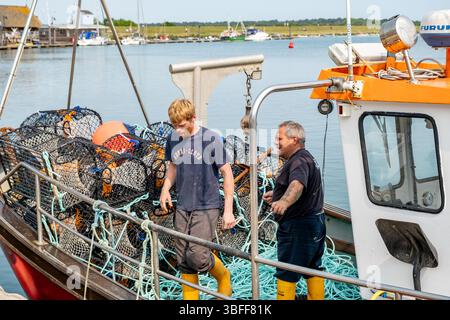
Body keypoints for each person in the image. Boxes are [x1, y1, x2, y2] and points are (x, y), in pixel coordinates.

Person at [159, 99, 236, 300]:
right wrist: (165, 189)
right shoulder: (172, 138)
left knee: (198, 257)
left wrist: (228, 210)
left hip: (206, 205)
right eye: (174, 125)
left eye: (182, 125)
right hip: (183, 204)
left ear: (193, 118)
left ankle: (224, 277)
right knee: (183, 258)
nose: (178, 130)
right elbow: (173, 166)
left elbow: (227, 173)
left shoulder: (211, 139)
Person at [263, 121, 326, 300]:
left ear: (294, 139)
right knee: (312, 268)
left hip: (298, 227)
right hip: (315, 222)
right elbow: (300, 188)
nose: (276, 142)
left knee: (287, 272)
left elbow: (297, 185)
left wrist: (283, 201)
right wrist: (275, 194)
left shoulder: (298, 160)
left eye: (280, 138)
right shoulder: (307, 157)